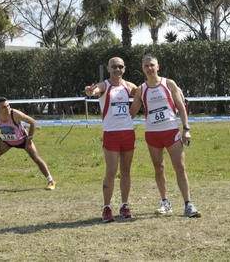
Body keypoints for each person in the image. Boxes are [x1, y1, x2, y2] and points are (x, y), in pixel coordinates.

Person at [130, 54, 201, 218]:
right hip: (152, 134)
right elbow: (131, 113)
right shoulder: (141, 89)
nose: (149, 68)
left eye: (152, 65)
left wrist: (186, 128)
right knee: (159, 168)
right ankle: (165, 202)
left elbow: (181, 108)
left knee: (180, 167)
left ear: (158, 66)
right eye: (146, 66)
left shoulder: (168, 84)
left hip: (171, 131)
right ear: (143, 69)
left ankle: (188, 204)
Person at [85, 57, 137, 223]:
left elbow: (143, 94)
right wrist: (90, 91)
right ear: (108, 68)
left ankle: (124, 205)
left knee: (126, 170)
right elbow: (95, 91)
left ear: (124, 68)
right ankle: (107, 207)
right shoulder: (104, 86)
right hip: (111, 133)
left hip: (128, 132)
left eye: (120, 66)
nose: (117, 69)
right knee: (111, 170)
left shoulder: (129, 86)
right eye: (114, 66)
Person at [0, 97, 56, 190]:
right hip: (6, 141)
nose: (7, 108)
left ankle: (51, 181)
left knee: (36, 158)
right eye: (4, 107)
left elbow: (33, 122)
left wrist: (29, 139)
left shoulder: (15, 114)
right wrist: (0, 141)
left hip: (23, 140)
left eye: (8, 106)